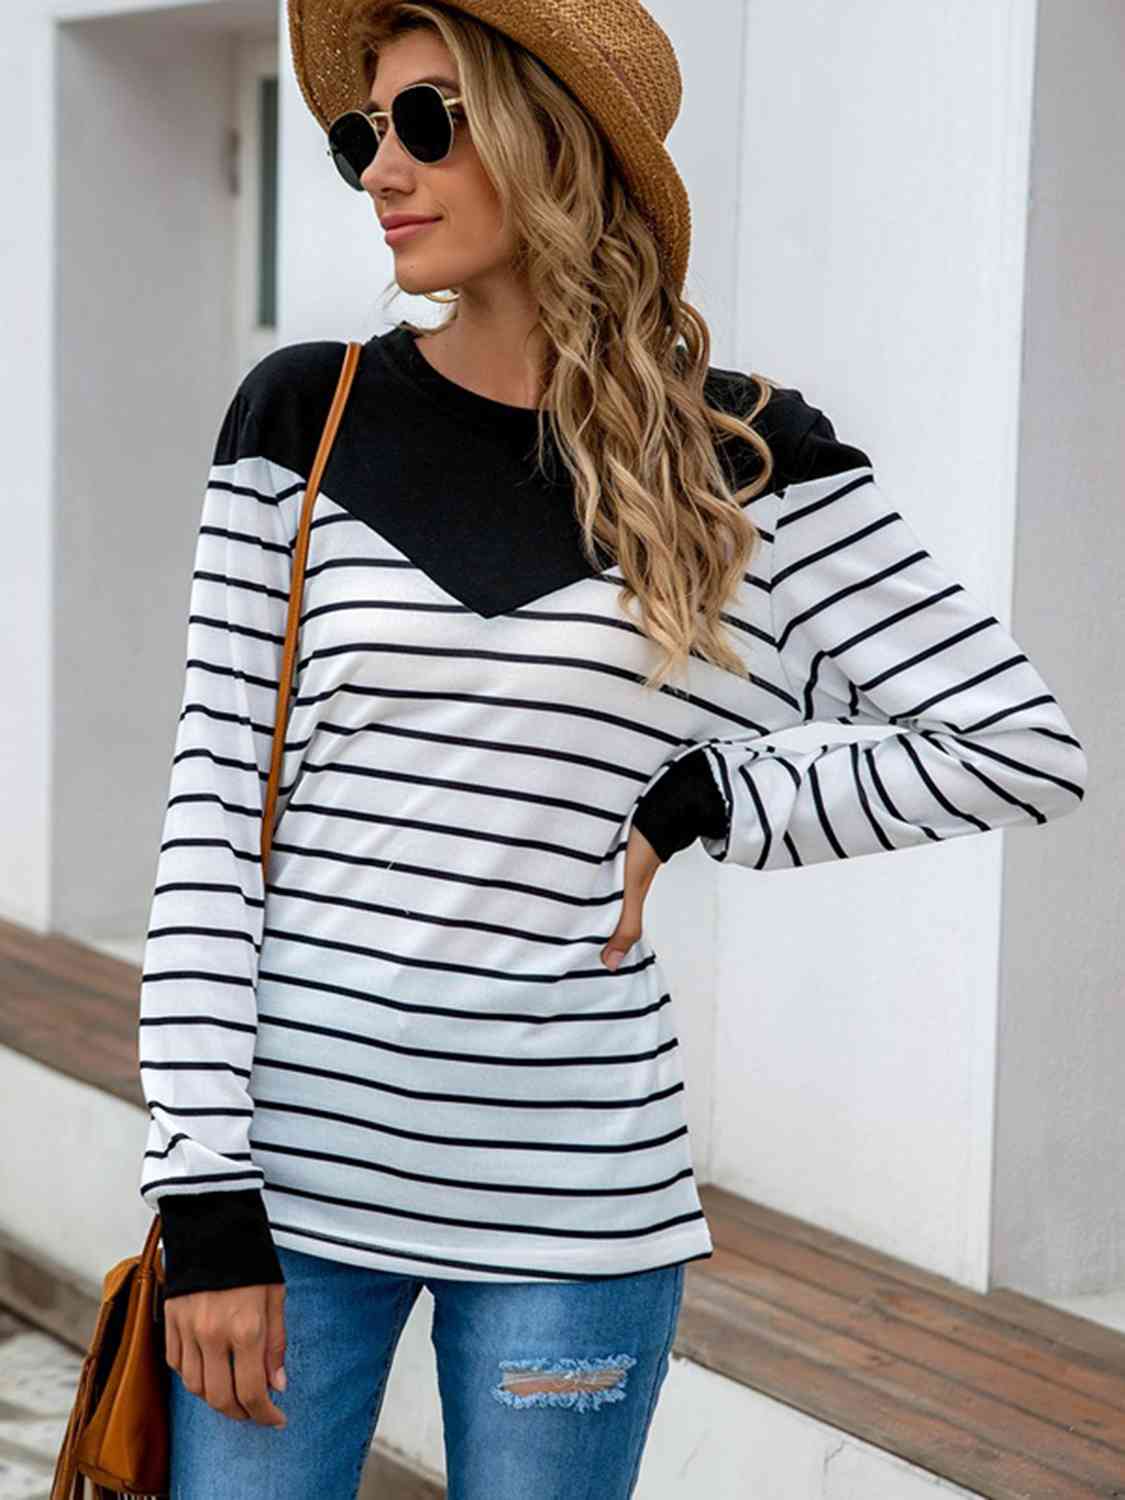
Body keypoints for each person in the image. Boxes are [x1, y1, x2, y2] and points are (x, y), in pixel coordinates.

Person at [136, 1, 1089, 1495]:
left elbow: (1015, 744)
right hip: (290, 1192)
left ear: (556, 139)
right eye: (361, 134)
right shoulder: (302, 419)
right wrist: (202, 1196)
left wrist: (714, 795)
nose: (381, 167)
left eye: (427, 121)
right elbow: (209, 821)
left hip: (577, 1201)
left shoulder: (744, 461)